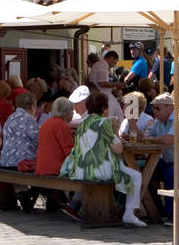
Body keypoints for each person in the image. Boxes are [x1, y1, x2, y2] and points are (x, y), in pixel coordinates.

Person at [60, 91, 146, 227]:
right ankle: (129, 213)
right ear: (104, 108)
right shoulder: (103, 123)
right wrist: (115, 133)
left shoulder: (82, 123)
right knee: (136, 176)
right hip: (98, 171)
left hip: (81, 169)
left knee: (130, 172)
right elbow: (118, 149)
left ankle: (121, 209)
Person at [145, 93, 179, 217]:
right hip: (169, 161)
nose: (154, 111)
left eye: (158, 108)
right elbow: (145, 135)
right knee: (146, 172)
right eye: (153, 108)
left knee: (169, 175)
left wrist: (149, 138)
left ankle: (171, 215)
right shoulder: (159, 121)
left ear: (169, 108)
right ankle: (157, 210)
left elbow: (168, 139)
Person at [0, 92, 41, 169]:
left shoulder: (11, 117)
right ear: (32, 106)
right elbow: (40, 140)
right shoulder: (28, 119)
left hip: (5, 162)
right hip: (22, 164)